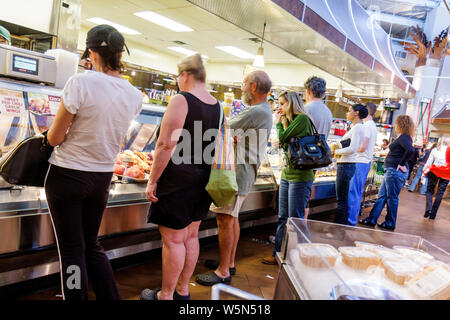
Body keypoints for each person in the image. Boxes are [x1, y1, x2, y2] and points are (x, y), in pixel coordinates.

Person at [45, 24, 142, 300]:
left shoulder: (80, 82)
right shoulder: (134, 95)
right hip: (101, 178)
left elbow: (54, 138)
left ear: (91, 52)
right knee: (91, 244)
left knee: (72, 249)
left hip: (67, 176)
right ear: (120, 54)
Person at [140, 54, 221, 300]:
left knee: (173, 241)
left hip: (178, 179)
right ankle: (182, 290)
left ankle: (165, 295)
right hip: (203, 178)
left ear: (185, 75)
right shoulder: (217, 106)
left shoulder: (181, 99)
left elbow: (166, 144)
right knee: (191, 235)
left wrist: (152, 179)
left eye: (177, 76)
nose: (177, 81)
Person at [195, 70, 273, 286]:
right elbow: (234, 135)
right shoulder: (264, 111)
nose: (242, 87)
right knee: (233, 219)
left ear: (255, 87)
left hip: (236, 173)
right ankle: (228, 263)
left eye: (245, 83)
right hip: (244, 172)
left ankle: (222, 272)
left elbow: (222, 128)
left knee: (225, 221)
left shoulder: (255, 112)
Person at [262, 91, 314, 265]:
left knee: (295, 219)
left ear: (292, 103)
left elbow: (283, 138)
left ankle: (300, 256)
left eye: (283, 104)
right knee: (283, 216)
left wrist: (278, 124)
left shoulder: (302, 119)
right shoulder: (289, 121)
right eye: (279, 103)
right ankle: (278, 253)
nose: (279, 107)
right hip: (287, 174)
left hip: (300, 176)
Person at [359, 115, 416, 231]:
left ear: (400, 124)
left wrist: (401, 163)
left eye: (396, 123)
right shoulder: (405, 137)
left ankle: (390, 223)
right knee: (383, 196)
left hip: (394, 172)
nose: (395, 125)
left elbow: (410, 150)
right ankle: (372, 219)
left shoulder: (404, 137)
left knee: (391, 198)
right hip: (392, 171)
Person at [331, 104, 368, 225]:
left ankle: (339, 226)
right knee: (343, 199)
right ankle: (341, 225)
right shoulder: (357, 127)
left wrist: (335, 152)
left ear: (356, 113)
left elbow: (352, 149)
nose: (347, 113)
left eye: (349, 111)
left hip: (346, 165)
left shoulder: (357, 128)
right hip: (348, 165)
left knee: (341, 200)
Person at [347, 103, 378, 226]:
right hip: (365, 163)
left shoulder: (366, 126)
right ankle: (351, 220)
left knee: (353, 192)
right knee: (357, 192)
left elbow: (362, 147)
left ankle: (349, 221)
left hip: (360, 162)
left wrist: (350, 148)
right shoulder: (372, 125)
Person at [423, 137, 450, 220]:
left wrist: (424, 171)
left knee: (430, 190)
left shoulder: (435, 150)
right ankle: (433, 215)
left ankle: (429, 209)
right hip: (446, 172)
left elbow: (429, 162)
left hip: (435, 171)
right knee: (440, 193)